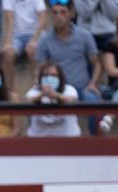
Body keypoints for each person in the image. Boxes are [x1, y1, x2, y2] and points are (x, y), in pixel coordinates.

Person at [35, 0, 100, 129]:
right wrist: (40, 87)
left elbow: (97, 63)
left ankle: (97, 142)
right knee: (32, 102)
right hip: (57, 88)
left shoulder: (84, 35)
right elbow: (40, 68)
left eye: (63, 12)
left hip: (82, 88)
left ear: (71, 13)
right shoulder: (45, 40)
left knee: (94, 101)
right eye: (55, 13)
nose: (58, 16)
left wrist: (93, 84)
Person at [25, 60, 79, 136]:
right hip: (39, 140)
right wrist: (42, 95)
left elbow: (72, 100)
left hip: (67, 139)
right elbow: (27, 101)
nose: (49, 78)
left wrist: (56, 96)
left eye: (53, 76)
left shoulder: (69, 89)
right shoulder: (34, 91)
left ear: (60, 77)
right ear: (40, 78)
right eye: (45, 75)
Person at [0, 0, 45, 90]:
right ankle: (8, 92)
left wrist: (34, 40)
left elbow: (42, 20)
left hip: (35, 33)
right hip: (16, 35)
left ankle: (38, 87)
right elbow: (10, 20)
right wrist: (8, 43)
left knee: (32, 50)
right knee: (8, 54)